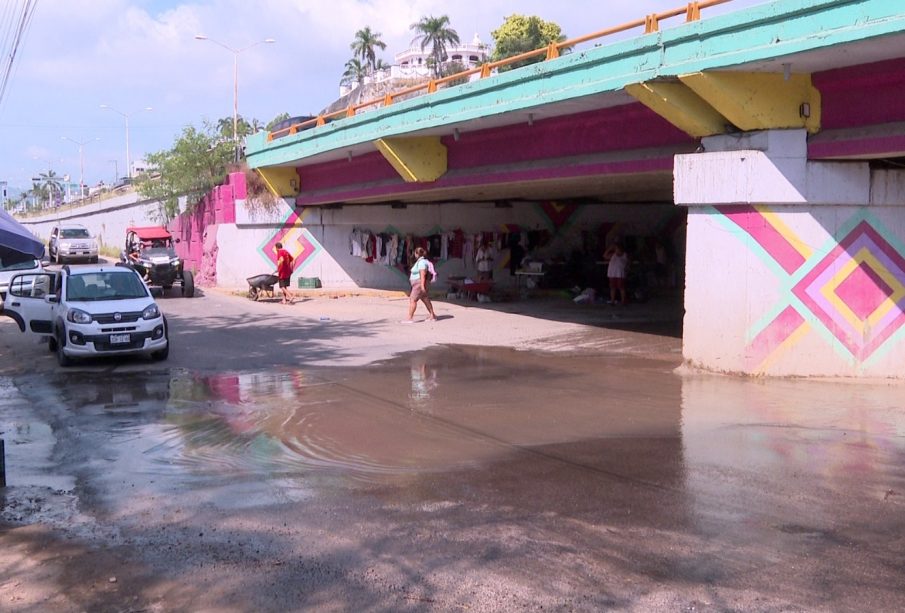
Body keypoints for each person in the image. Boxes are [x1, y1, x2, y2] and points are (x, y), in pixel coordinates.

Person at [405, 246, 437, 322]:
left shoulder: (421, 262)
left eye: (415, 253)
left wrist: (422, 286)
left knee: (413, 300)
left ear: (416, 254)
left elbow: (422, 274)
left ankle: (410, 318)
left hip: (418, 284)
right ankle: (432, 315)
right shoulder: (423, 261)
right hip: (419, 284)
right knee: (425, 299)